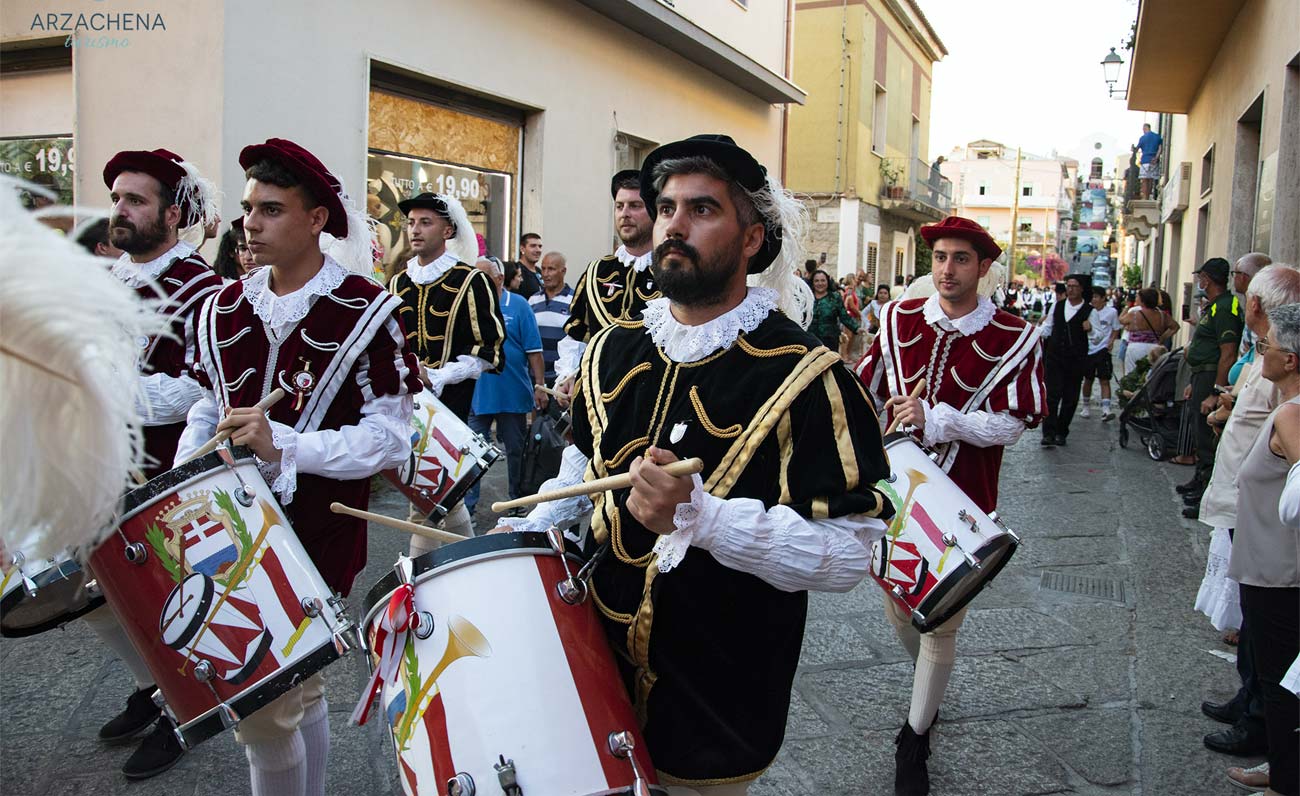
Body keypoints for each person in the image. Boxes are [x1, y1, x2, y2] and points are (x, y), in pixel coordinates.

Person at [497, 134, 891, 795]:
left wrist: (703, 519)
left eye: (702, 209)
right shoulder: (611, 352)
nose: (674, 224)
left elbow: (848, 555)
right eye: (667, 206)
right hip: (592, 669)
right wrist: (533, 529)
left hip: (716, 694)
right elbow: (578, 465)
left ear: (751, 239)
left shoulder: (809, 376)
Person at [175, 138, 423, 796]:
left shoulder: (373, 311)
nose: (251, 222)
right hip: (226, 528)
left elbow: (392, 441)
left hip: (317, 531)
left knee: (265, 712)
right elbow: (206, 407)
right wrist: (180, 484)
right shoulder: (222, 306)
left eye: (272, 209)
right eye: (249, 208)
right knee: (296, 693)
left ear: (317, 220)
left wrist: (286, 446)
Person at [856, 215, 1046, 796]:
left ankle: (913, 741)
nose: (947, 270)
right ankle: (928, 685)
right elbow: (865, 388)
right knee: (900, 607)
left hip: (965, 498)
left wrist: (940, 420)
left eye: (961, 259)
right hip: (896, 494)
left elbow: (1012, 426)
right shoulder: (896, 318)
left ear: (984, 268)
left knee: (942, 618)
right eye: (940, 257)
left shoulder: (1015, 336)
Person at [82, 148, 226, 781]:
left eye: (135, 200)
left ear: (172, 214)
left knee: (167, 593)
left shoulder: (205, 290)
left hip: (164, 469)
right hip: (100, 457)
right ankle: (151, 682)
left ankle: (180, 707)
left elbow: (205, 388)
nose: (120, 209)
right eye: (116, 197)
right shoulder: (106, 280)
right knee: (95, 591)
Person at [1197, 265, 1300, 768]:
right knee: (1256, 631)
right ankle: (1257, 718)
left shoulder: (1292, 406)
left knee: (1272, 646)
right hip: (1257, 525)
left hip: (1272, 538)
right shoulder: (1276, 377)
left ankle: (1272, 749)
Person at [387, 191, 505, 546]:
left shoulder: (471, 280)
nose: (415, 230)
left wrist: (437, 376)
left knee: (428, 497)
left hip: (450, 408)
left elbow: (489, 350)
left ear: (448, 230)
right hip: (404, 407)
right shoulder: (397, 283)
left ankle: (416, 578)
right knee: (437, 498)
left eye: (426, 222)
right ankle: (467, 568)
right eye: (411, 223)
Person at [1225, 302, 1300, 796]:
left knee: (1279, 683)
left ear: (1291, 359)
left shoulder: (1293, 414)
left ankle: (1287, 782)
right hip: (1270, 569)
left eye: (1265, 345)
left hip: (1279, 576)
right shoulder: (1287, 408)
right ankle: (1281, 767)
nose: (1260, 351)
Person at [553, 170, 660, 401]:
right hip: (598, 401)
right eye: (619, 206)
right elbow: (576, 335)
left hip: (649, 399)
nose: (625, 214)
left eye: (635, 206)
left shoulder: (672, 271)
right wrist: (568, 376)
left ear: (654, 211)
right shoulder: (596, 272)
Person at [465, 256, 546, 514]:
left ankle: (516, 501)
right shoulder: (469, 305)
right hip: (478, 394)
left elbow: (534, 351)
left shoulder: (519, 305)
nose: (477, 281)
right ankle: (468, 507)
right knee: (473, 452)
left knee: (515, 450)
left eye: (484, 276)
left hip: (512, 392)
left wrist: (540, 385)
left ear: (499, 278)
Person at [1179, 258, 1244, 515]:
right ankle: (1199, 481)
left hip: (1211, 377)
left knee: (1208, 437)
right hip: (1201, 375)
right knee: (1198, 431)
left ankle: (1207, 495)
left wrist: (1215, 391)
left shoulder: (1226, 307)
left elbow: (1227, 353)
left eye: (1201, 277)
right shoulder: (1215, 306)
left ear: (1207, 278)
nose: (1199, 282)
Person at [1040, 273, 1093, 446]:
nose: (1071, 289)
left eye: (1074, 286)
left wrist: (1090, 329)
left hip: (1076, 360)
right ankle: (1048, 432)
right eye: (1069, 286)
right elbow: (1047, 328)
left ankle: (1062, 432)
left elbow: (1099, 337)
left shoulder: (1089, 311)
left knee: (1070, 398)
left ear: (1082, 289)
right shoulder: (1057, 306)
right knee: (1051, 396)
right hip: (1055, 358)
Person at [528, 250, 574, 385]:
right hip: (535, 378)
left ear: (563, 271)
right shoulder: (533, 300)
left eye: (551, 269)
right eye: (543, 269)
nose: (546, 274)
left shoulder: (574, 301)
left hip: (562, 378)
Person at [1079, 285, 1120, 420]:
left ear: (1103, 298)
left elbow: (1115, 328)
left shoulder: (1111, 312)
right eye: (1092, 297)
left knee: (1104, 379)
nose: (1094, 300)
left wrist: (1111, 341)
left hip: (1102, 349)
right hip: (1088, 349)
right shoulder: (1086, 311)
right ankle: (1085, 406)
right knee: (1088, 379)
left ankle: (1106, 409)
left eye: (1096, 297)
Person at [1119, 288, 1177, 372]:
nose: (1136, 299)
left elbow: (1121, 320)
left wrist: (1128, 306)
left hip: (1136, 347)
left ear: (1143, 300)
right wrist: (1163, 338)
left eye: (1137, 297)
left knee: (1132, 374)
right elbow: (1175, 327)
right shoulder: (1162, 315)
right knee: (1152, 374)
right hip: (1154, 347)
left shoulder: (1134, 314)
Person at [808, 269, 859, 351]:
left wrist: (856, 328)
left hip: (830, 340)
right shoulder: (807, 297)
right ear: (812, 283)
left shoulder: (835, 297)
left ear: (827, 282)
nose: (820, 283)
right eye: (816, 281)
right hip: (810, 340)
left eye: (823, 280)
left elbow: (844, 316)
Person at [509, 231, 543, 298]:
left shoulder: (540, 271)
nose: (538, 250)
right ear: (522, 248)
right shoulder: (515, 270)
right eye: (533, 246)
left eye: (540, 246)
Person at [1136, 123, 1162, 200]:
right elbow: (1160, 148)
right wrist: (1156, 157)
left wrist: (1138, 158)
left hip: (1145, 160)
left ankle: (1145, 197)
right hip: (1154, 161)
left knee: (1144, 180)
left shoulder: (1143, 138)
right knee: (1151, 179)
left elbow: (1136, 149)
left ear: (1145, 128)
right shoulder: (1157, 137)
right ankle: (1148, 196)